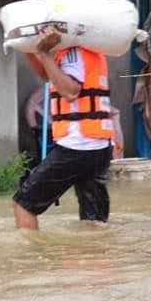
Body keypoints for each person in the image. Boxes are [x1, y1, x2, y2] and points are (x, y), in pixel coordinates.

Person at [12, 27, 115, 230]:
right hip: (99, 146)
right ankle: (98, 258)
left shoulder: (73, 52)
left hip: (77, 145)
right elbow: (49, 76)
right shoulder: (86, 52)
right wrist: (32, 50)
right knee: (93, 219)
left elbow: (70, 91)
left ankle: (33, 259)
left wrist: (42, 53)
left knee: (23, 204)